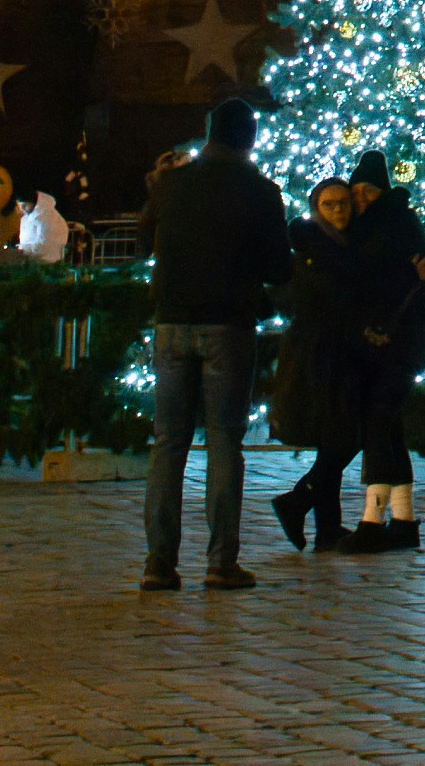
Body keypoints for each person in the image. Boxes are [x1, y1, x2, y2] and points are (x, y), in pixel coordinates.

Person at [137, 100, 290, 591]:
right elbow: (278, 268)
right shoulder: (260, 192)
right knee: (224, 441)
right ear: (248, 139)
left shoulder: (171, 184)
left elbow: (145, 243)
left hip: (172, 321)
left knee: (169, 443)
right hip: (228, 324)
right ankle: (221, 561)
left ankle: (159, 562)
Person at [332, 151, 425, 552]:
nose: (360, 199)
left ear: (382, 191)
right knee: (389, 428)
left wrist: (378, 322)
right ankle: (405, 520)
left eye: (368, 191)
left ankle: (372, 521)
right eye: (355, 191)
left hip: (395, 341)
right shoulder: (383, 223)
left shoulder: (390, 225)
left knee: (377, 424)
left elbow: (391, 285)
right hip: (391, 341)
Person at [268, 179, 361, 556]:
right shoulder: (311, 250)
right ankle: (299, 502)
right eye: (329, 205)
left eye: (342, 203)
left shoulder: (345, 245)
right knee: (342, 436)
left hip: (337, 350)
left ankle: (325, 525)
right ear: (316, 209)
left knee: (336, 436)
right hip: (319, 353)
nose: (338, 211)